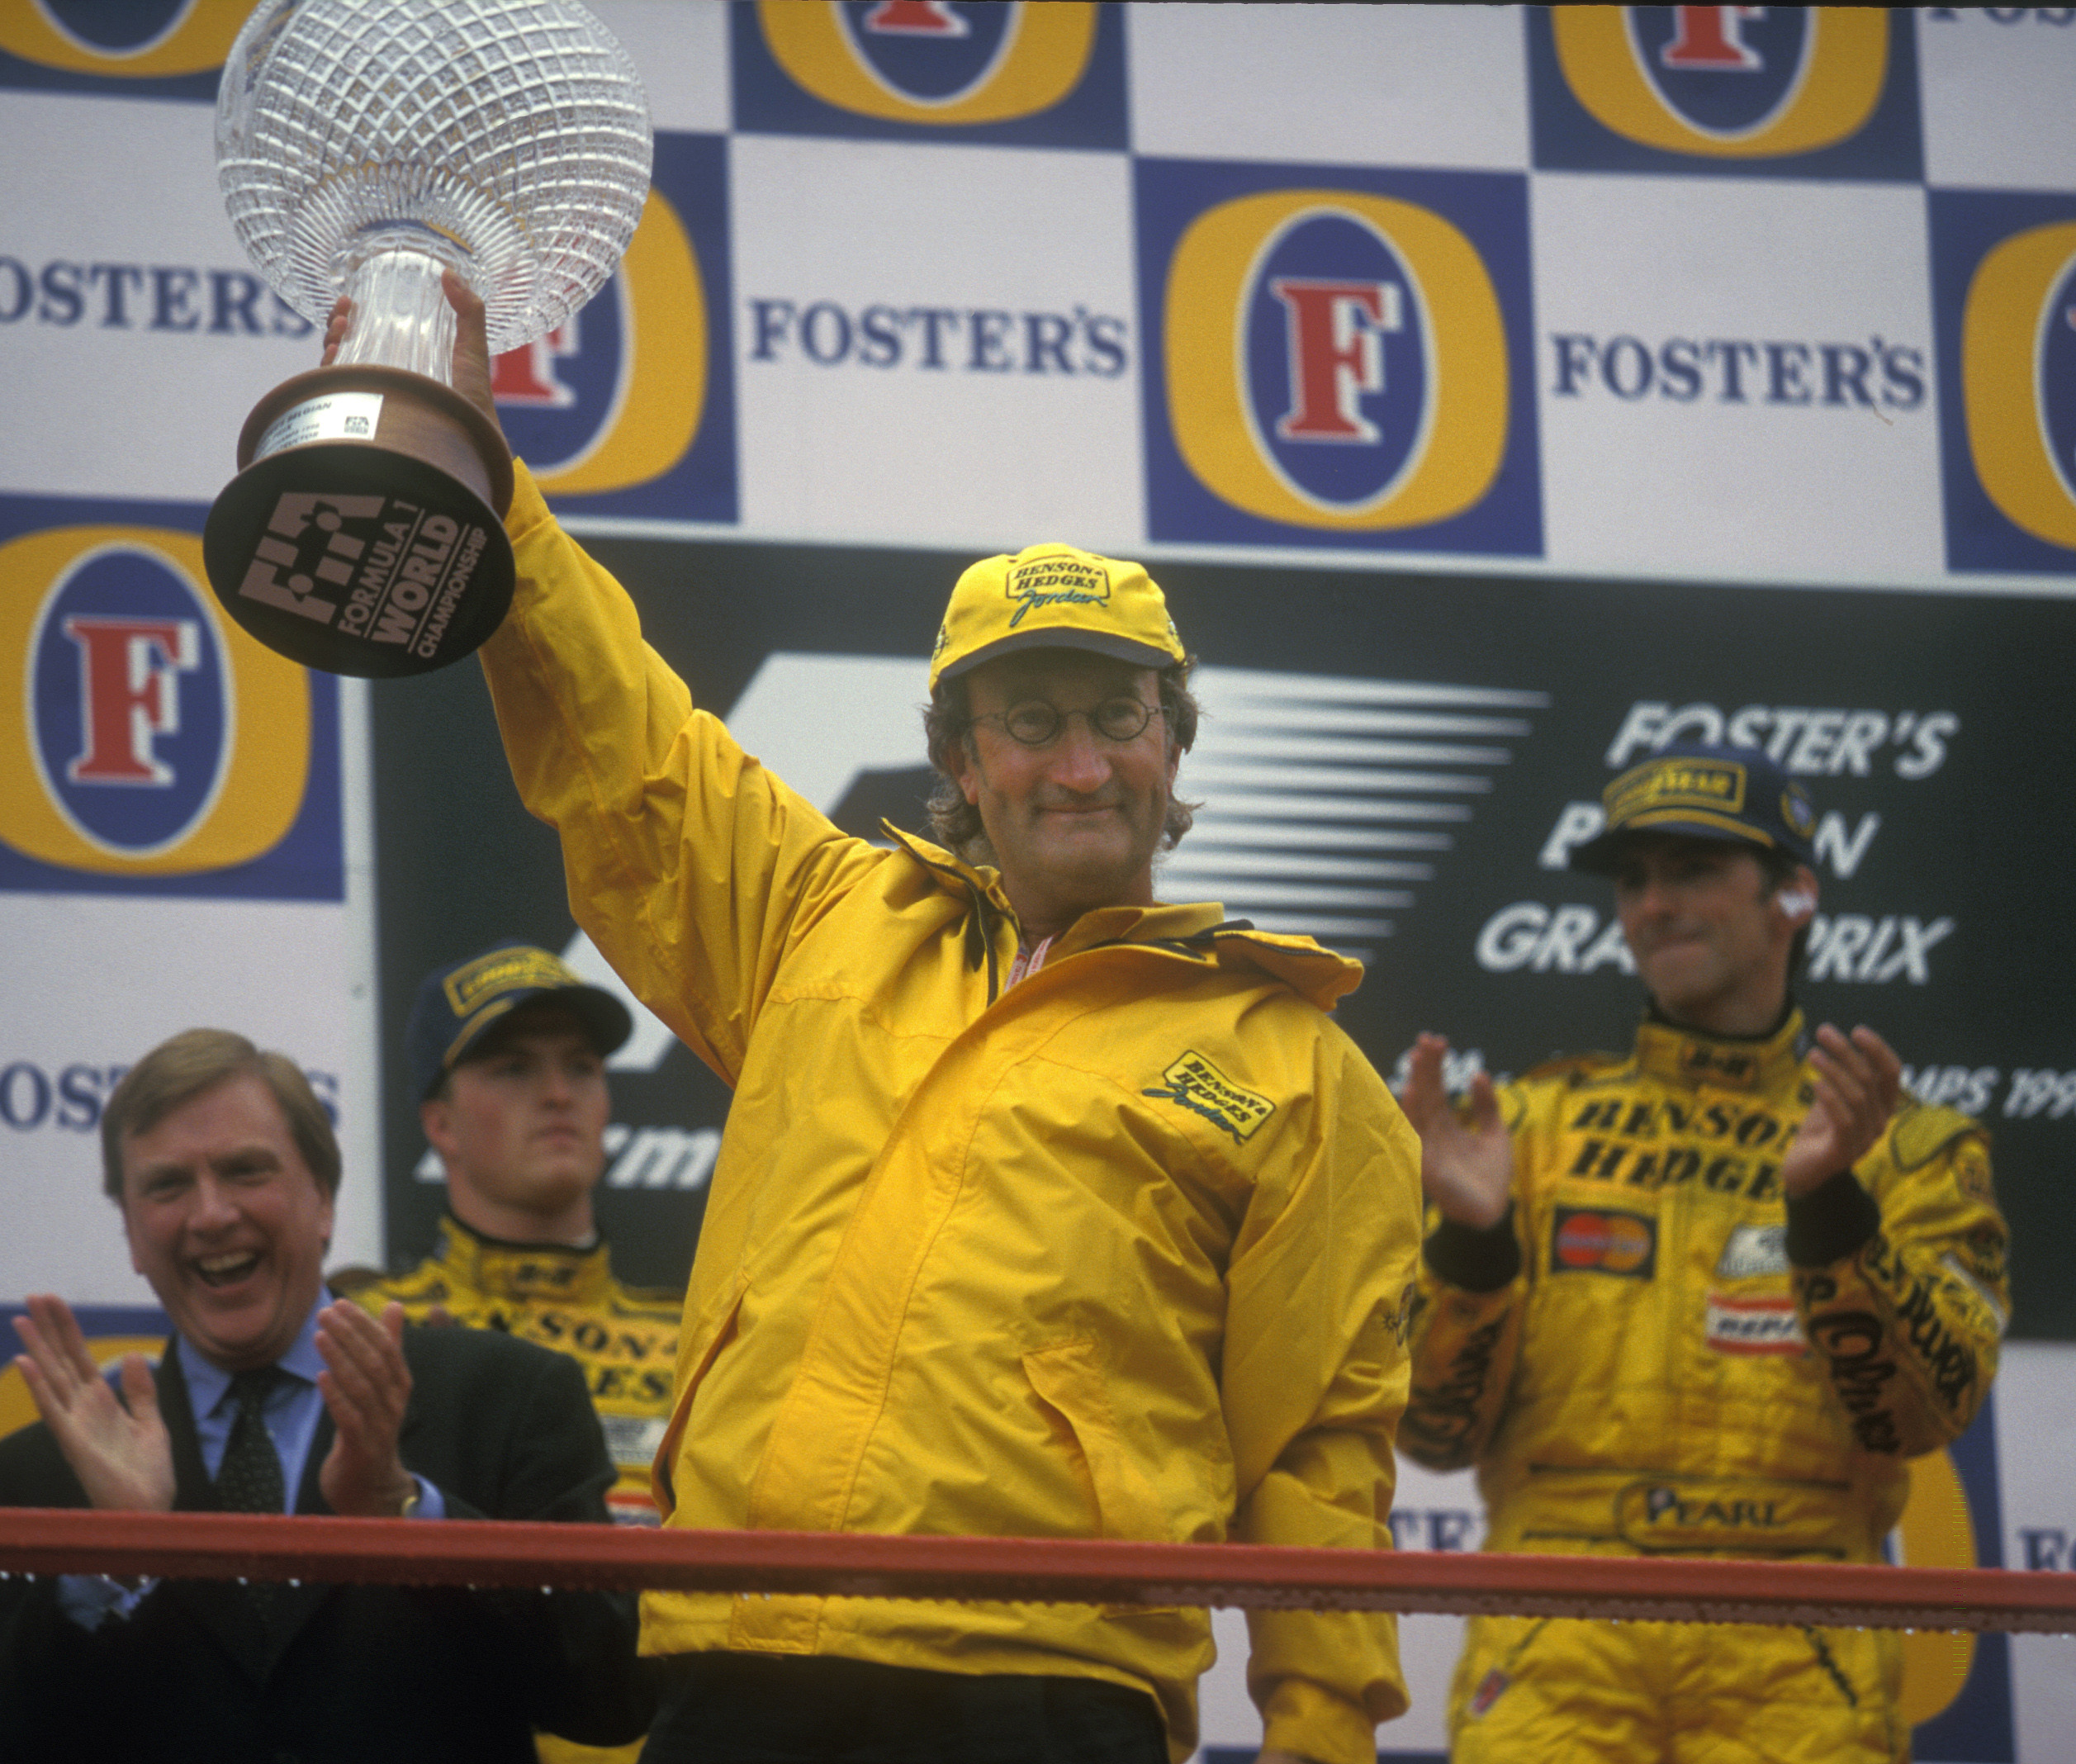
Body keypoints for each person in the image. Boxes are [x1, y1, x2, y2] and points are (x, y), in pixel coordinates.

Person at [340, 279, 1421, 1764]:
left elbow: (1319, 1444)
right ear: (962, 765)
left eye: (1118, 717)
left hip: (1046, 1679)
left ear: (1175, 748)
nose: (1082, 764)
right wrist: (489, 481)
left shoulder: (1295, 1065)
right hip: (737, 1647)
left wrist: (1317, 1731)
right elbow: (624, 747)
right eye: (1030, 722)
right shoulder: (819, 916)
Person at [1396, 742, 2010, 1763]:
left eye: (1692, 870)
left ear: (1794, 895)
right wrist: (1473, 1247)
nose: (1654, 904)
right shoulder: (1528, 1130)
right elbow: (1431, 1435)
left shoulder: (1908, 1148)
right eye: (1634, 879)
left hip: (1799, 1631)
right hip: (1559, 1624)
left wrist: (1829, 1214)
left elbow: (1923, 1412)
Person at [0, 1027, 650, 1764]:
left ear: (324, 1202)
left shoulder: (507, 1397)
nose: (211, 1214)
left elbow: (610, 1695)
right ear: (134, 1236)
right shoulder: (28, 1477)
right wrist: (114, 1560)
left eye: (246, 1171)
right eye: (168, 1185)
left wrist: (407, 1516)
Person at [340, 942, 681, 1531]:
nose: (557, 1094)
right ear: (440, 1123)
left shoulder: (694, 1340)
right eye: (514, 1068)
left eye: (580, 1066)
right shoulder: (374, 1334)